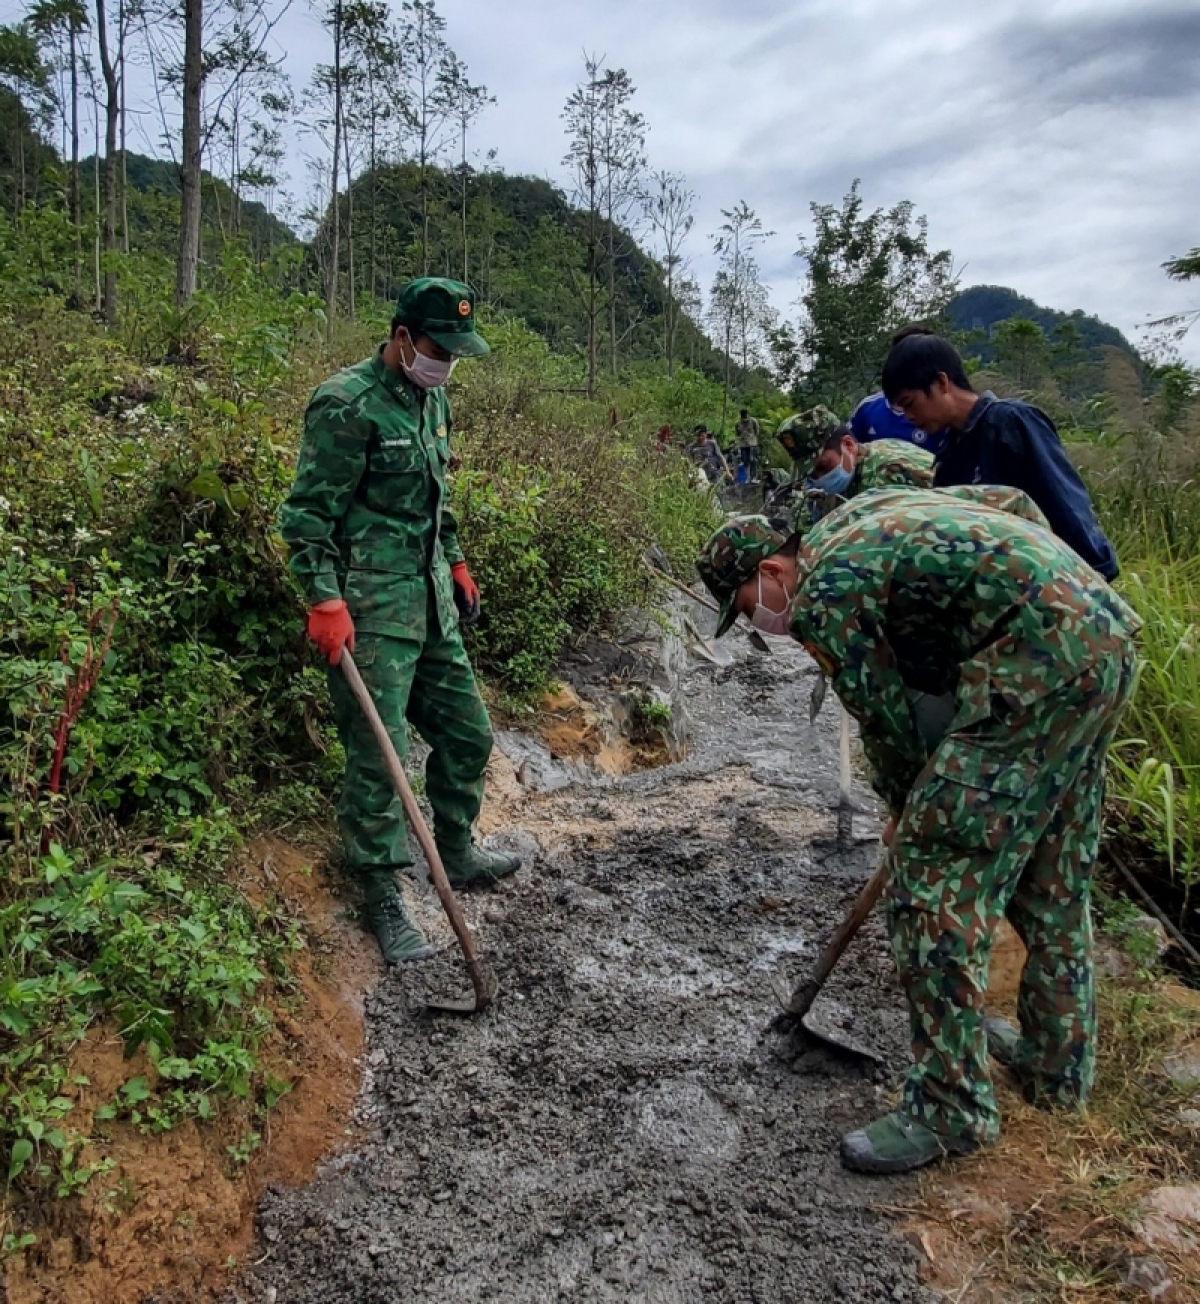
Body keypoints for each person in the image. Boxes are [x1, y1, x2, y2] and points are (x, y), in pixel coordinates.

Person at [695, 496, 1139, 1174]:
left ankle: (951, 1109)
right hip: (1097, 638)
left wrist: (909, 810)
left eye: (749, 602)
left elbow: (886, 720)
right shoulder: (857, 515)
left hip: (1034, 669)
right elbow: (1008, 503)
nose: (759, 620)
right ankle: (1055, 1070)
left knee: (931, 880)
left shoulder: (823, 594)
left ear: (772, 570)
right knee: (1051, 876)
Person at [280, 277, 521, 965]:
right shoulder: (344, 405)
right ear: (401, 336)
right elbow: (305, 517)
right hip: (372, 611)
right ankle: (383, 891)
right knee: (380, 756)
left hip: (432, 607)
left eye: (455, 352)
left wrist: (456, 561)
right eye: (437, 347)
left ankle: (457, 848)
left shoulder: (432, 399)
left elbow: (436, 504)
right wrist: (323, 598)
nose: (445, 362)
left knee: (469, 732)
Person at [881, 331, 1118, 580]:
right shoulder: (948, 457)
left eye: (909, 403)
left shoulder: (1012, 423)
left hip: (1060, 581)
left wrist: (1095, 575)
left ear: (941, 383)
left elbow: (1064, 501)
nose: (908, 417)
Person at [803, 427, 934, 523]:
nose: (820, 478)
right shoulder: (858, 464)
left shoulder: (889, 474)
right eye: (812, 475)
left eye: (824, 466)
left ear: (848, 445)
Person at [735, 408, 761, 480]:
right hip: (743, 444)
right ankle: (747, 476)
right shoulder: (738, 423)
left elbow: (757, 431)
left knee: (752, 459)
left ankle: (754, 476)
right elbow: (737, 433)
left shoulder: (753, 421)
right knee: (744, 460)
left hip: (752, 443)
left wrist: (753, 438)